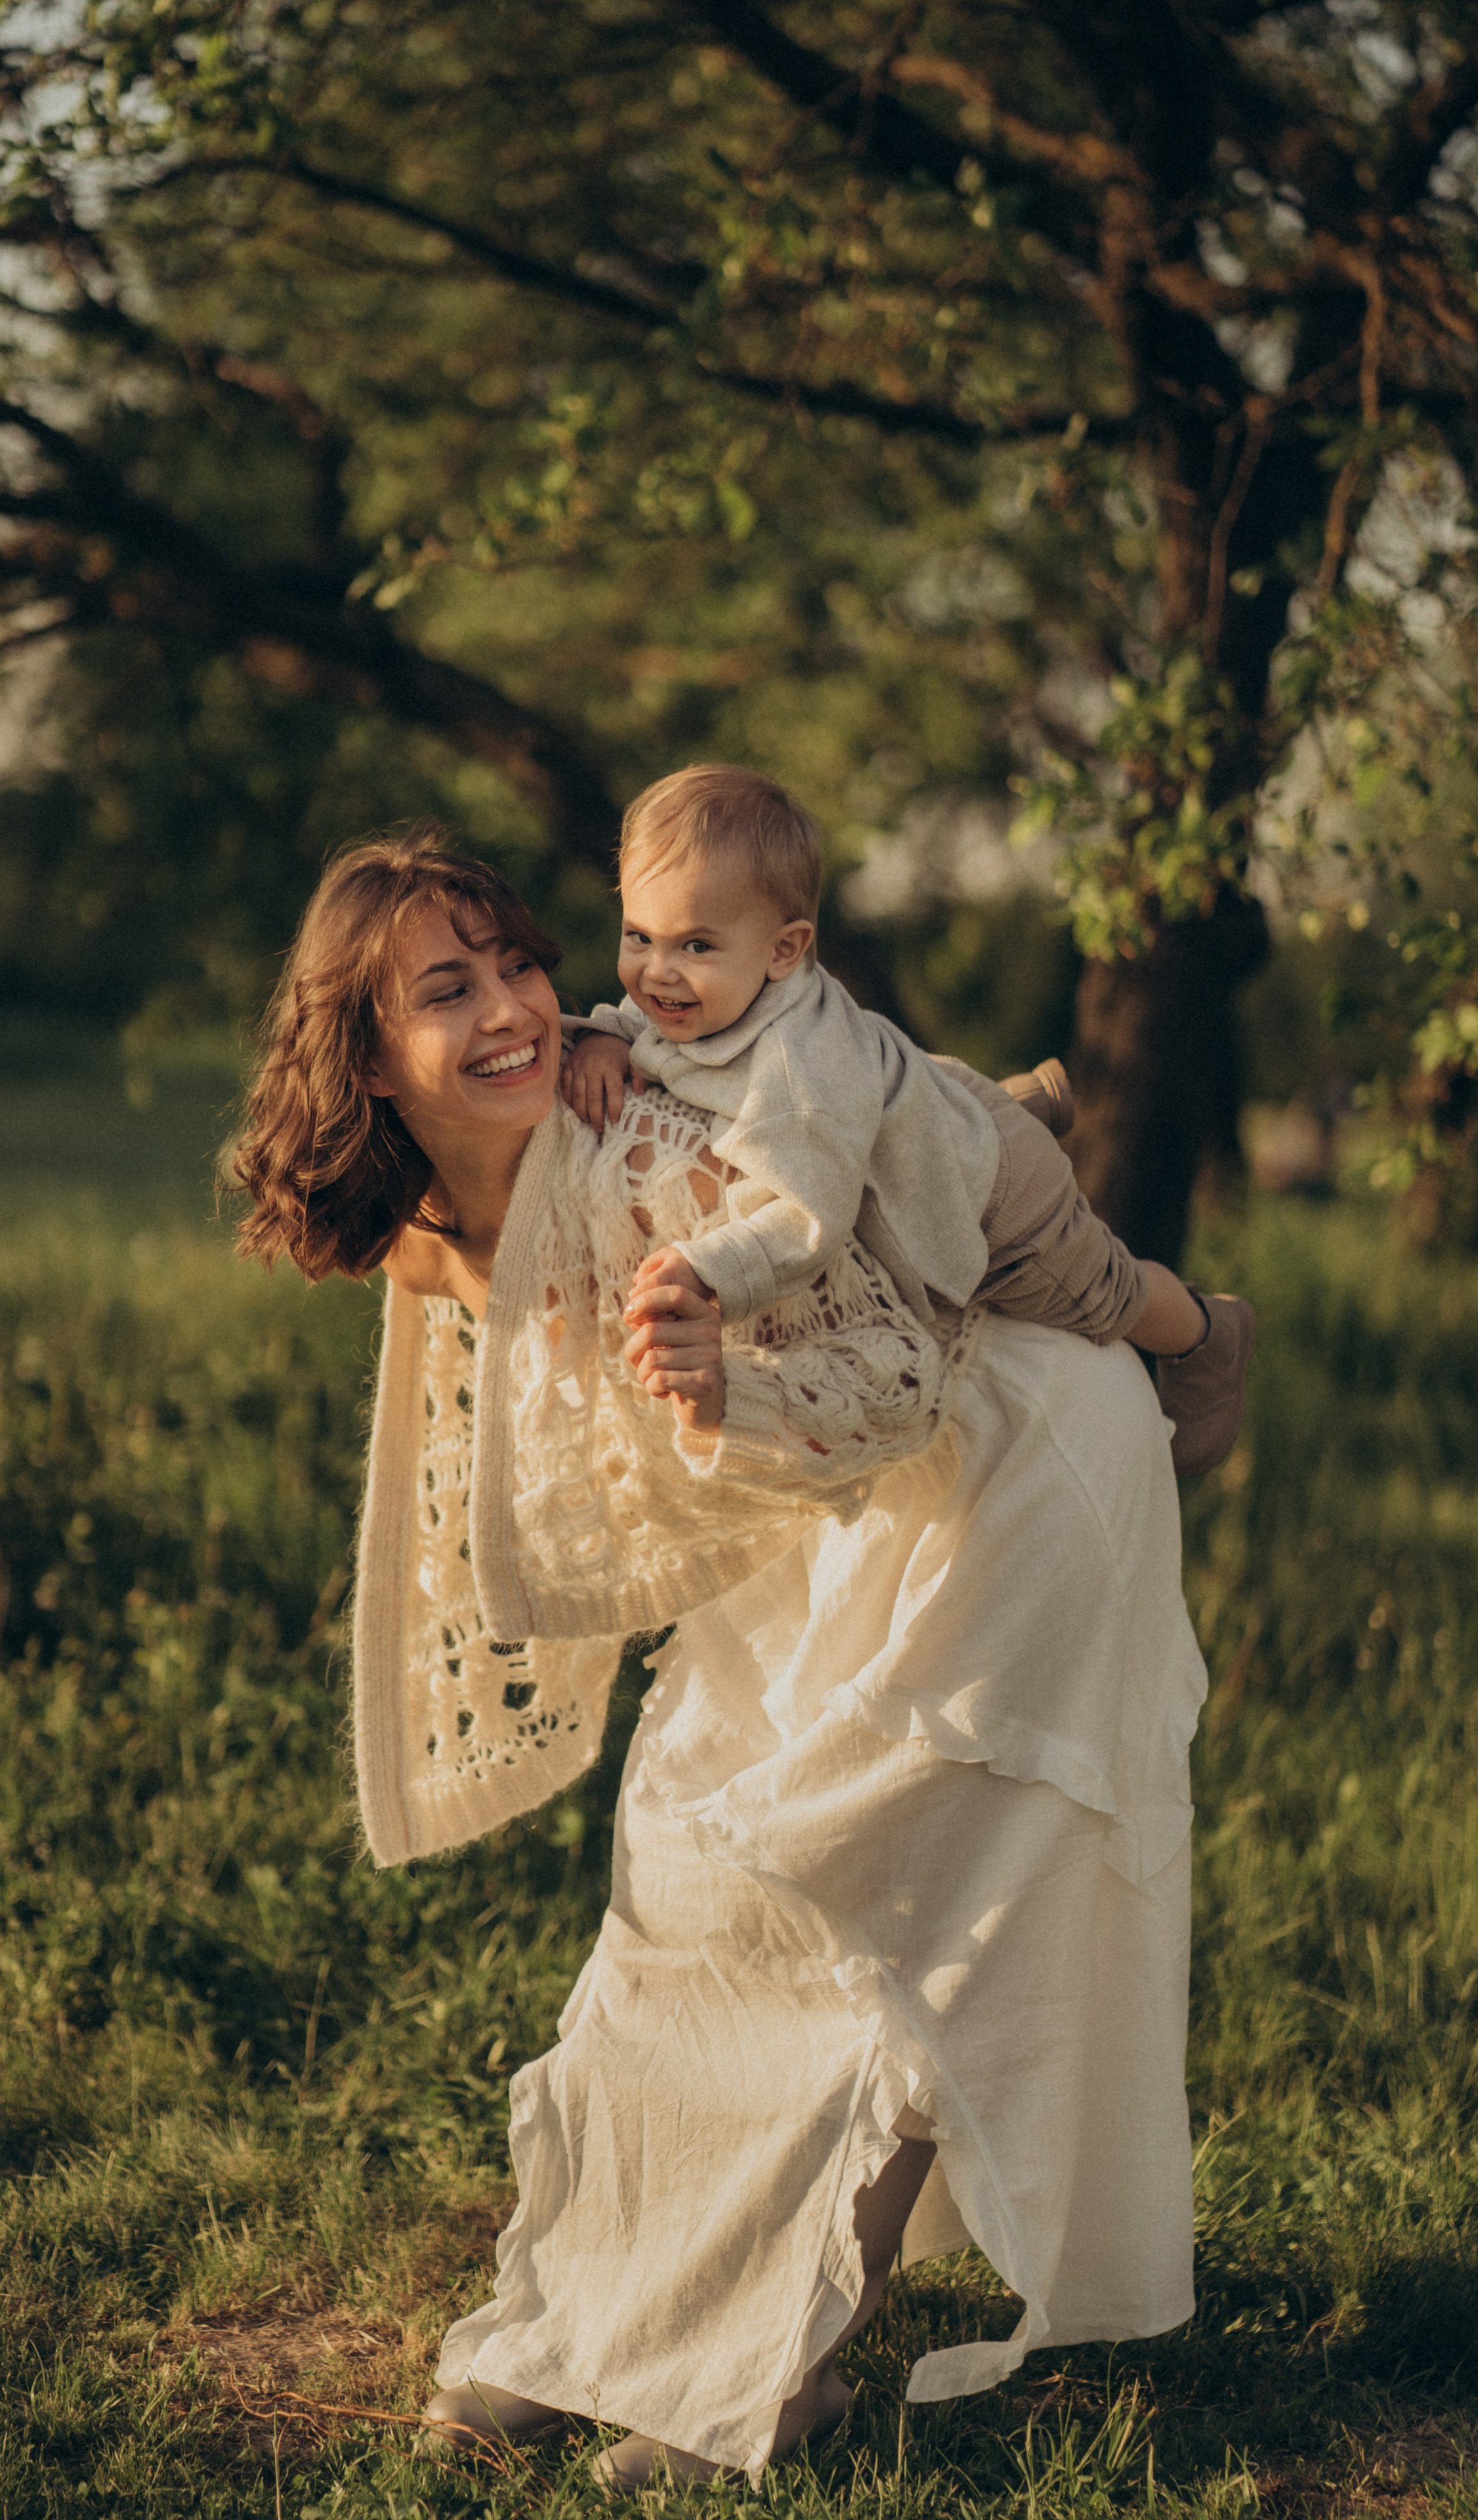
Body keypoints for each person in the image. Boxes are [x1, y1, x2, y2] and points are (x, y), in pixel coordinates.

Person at [233, 830, 1213, 2492]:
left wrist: (720, 1381)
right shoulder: (419, 1220)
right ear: (367, 1057)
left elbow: (896, 1362)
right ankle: (587, 2323)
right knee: (682, 1879)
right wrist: (709, 1413)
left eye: (518, 964)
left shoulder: (648, 1150)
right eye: (446, 988)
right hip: (805, 1509)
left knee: (877, 1885)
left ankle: (785, 2354)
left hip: (1004, 1456)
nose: (511, 1009)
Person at [562, 763, 1253, 1478]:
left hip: (999, 1198)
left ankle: (1206, 1333)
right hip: (913, 1099)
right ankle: (1009, 1106)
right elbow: (640, 1019)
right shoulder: (694, 996)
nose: (657, 973)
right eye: (639, 937)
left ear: (784, 950)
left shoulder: (797, 1076)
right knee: (904, 1116)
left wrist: (709, 1268)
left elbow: (809, 1218)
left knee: (1097, 1291)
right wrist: (605, 1037)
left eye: (695, 946)